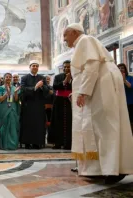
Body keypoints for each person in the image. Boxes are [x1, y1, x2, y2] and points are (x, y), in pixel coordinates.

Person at [64, 23, 133, 183]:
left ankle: (113, 169)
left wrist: (83, 91)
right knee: (95, 125)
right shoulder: (82, 42)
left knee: (104, 124)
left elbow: (92, 65)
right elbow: (86, 72)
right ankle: (101, 168)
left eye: (65, 35)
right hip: (99, 82)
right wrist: (79, 91)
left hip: (102, 83)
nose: (64, 40)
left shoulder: (84, 40)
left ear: (74, 32)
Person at [20, 60, 49, 149]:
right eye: (33, 66)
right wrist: (35, 87)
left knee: (38, 124)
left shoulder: (42, 78)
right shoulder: (24, 78)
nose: (35, 67)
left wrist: (42, 87)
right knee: (28, 124)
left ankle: (37, 142)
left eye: (37, 66)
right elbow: (23, 89)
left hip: (39, 105)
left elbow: (47, 90)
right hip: (28, 105)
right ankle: (27, 143)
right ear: (30, 67)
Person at [48, 60, 72, 149]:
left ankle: (69, 143)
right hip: (59, 102)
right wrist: (64, 81)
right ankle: (58, 143)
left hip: (70, 101)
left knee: (70, 122)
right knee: (58, 122)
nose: (66, 68)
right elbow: (55, 86)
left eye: (68, 67)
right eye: (65, 67)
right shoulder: (58, 76)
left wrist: (70, 82)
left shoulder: (76, 76)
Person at [0, 73, 20, 150]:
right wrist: (7, 93)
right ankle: (5, 145)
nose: (8, 78)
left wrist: (16, 92)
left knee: (13, 126)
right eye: (7, 77)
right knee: (5, 126)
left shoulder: (14, 88)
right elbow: (0, 99)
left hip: (12, 108)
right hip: (4, 108)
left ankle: (13, 145)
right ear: (4, 78)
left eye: (10, 77)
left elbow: (16, 100)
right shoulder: (0, 88)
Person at [118, 63, 133, 135]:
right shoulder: (116, 79)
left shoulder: (130, 77)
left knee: (130, 119)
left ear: (125, 69)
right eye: (119, 68)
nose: (121, 69)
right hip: (120, 102)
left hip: (130, 102)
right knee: (123, 119)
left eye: (122, 68)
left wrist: (124, 80)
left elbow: (130, 86)